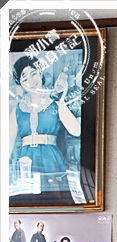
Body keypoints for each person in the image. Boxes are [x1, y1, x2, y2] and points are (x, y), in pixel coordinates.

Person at [9, 55, 81, 196]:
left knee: (54, 198)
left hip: (51, 160)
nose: (31, 81)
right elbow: (8, 141)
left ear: (41, 73)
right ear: (20, 83)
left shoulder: (55, 101)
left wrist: (61, 103)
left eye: (33, 73)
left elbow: (76, 130)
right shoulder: (18, 109)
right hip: (26, 163)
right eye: (25, 78)